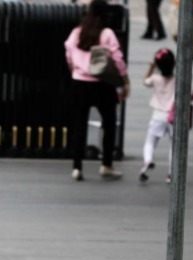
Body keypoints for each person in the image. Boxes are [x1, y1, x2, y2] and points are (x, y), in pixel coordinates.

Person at [64, 0, 130, 182]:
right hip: (102, 83)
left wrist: (75, 70)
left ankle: (77, 167)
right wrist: (124, 81)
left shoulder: (77, 32)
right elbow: (117, 58)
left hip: (79, 83)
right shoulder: (106, 33)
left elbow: (68, 53)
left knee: (79, 125)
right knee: (109, 123)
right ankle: (106, 164)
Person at [140, 48, 176, 183]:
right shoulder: (177, 80)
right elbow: (191, 93)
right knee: (173, 146)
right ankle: (171, 174)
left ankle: (147, 161)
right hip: (173, 116)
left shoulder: (155, 78)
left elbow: (145, 81)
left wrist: (151, 67)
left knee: (150, 142)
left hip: (157, 115)